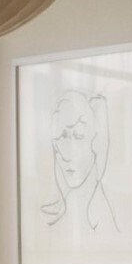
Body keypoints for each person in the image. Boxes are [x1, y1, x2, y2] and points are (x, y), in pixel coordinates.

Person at [42, 89, 119, 231]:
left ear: (97, 141)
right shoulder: (50, 218)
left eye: (78, 137)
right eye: (60, 139)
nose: (65, 156)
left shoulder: (108, 219)